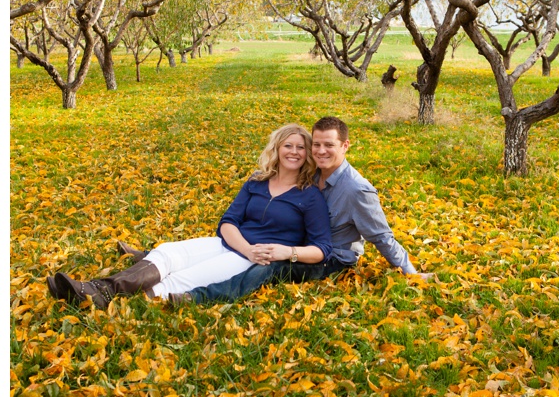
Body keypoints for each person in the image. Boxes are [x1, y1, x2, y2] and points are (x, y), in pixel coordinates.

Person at [48, 124, 333, 306]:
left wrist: (286, 252)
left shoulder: (310, 196)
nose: (293, 152)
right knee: (166, 253)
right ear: (277, 149)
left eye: (300, 148)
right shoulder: (257, 181)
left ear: (307, 154)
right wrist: (245, 247)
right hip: (232, 245)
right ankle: (94, 290)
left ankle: (118, 304)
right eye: (288, 145)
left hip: (254, 259)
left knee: (183, 279)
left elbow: (321, 249)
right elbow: (228, 222)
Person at [155, 115, 426, 305]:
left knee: (270, 266)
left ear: (345, 146)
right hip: (301, 243)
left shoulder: (357, 190)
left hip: (330, 259)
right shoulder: (313, 174)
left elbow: (382, 237)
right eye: (316, 145)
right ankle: (159, 260)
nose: (320, 151)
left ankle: (198, 297)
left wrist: (411, 273)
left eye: (329, 145)